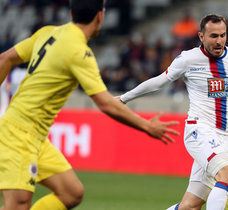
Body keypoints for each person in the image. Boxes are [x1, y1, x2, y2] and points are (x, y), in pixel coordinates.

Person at [0, 1, 179, 210]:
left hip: (34, 136)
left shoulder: (49, 32)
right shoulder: (79, 52)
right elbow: (105, 104)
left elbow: (6, 58)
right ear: (100, 16)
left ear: (70, 13)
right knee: (17, 205)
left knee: (71, 192)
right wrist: (148, 126)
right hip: (18, 134)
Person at [118, 14, 228, 210]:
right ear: (201, 36)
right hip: (199, 132)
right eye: (213, 36)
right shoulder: (188, 59)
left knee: (190, 206)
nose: (219, 41)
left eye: (223, 35)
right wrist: (124, 98)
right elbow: (159, 82)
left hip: (224, 137)